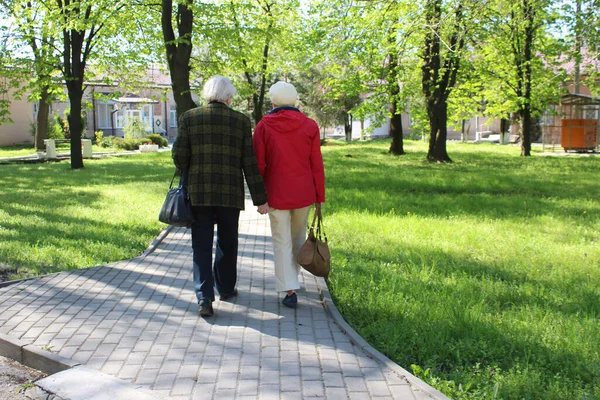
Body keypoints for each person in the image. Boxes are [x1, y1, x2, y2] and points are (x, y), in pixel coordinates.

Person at [172, 75, 269, 317]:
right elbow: (249, 162)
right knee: (228, 242)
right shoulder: (240, 121)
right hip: (229, 194)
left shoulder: (189, 118)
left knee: (201, 245)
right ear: (228, 97)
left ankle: (204, 298)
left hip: (199, 193)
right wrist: (260, 199)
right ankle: (225, 288)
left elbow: (180, 157)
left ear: (207, 95)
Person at [253, 81, 325, 308]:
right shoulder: (310, 125)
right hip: (303, 193)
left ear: (273, 101)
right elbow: (316, 165)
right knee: (297, 238)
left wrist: (260, 197)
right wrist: (320, 196)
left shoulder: (263, 126)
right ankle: (293, 281)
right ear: (294, 100)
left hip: (276, 194)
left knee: (281, 240)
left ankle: (290, 288)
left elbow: (259, 165)